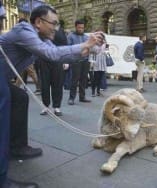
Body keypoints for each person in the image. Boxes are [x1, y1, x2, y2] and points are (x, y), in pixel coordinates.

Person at [0, 5, 101, 187]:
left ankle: (17, 147)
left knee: (20, 98)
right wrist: (84, 44)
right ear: (38, 22)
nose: (56, 28)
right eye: (53, 23)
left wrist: (83, 52)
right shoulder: (24, 30)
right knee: (5, 98)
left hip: (3, 76)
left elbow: (56, 57)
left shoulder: (41, 37)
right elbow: (51, 53)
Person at [39, 19, 68, 116]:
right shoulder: (43, 31)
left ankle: (57, 107)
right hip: (44, 60)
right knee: (45, 84)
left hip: (57, 61)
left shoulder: (61, 32)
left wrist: (65, 61)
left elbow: (65, 46)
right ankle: (46, 106)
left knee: (58, 84)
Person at [67, 19, 91, 105]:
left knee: (84, 80)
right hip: (76, 61)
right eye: (79, 27)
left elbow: (89, 48)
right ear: (76, 27)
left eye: (82, 28)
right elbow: (68, 48)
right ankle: (71, 98)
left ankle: (82, 97)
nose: (81, 29)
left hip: (85, 61)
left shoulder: (86, 37)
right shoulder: (70, 36)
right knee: (74, 79)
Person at [89, 32, 106, 97]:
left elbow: (107, 53)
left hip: (102, 62)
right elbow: (91, 54)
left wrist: (106, 51)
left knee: (100, 78)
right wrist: (91, 62)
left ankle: (98, 91)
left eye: (101, 38)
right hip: (95, 62)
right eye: (98, 37)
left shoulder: (105, 44)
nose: (99, 39)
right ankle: (93, 91)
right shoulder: (93, 44)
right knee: (95, 78)